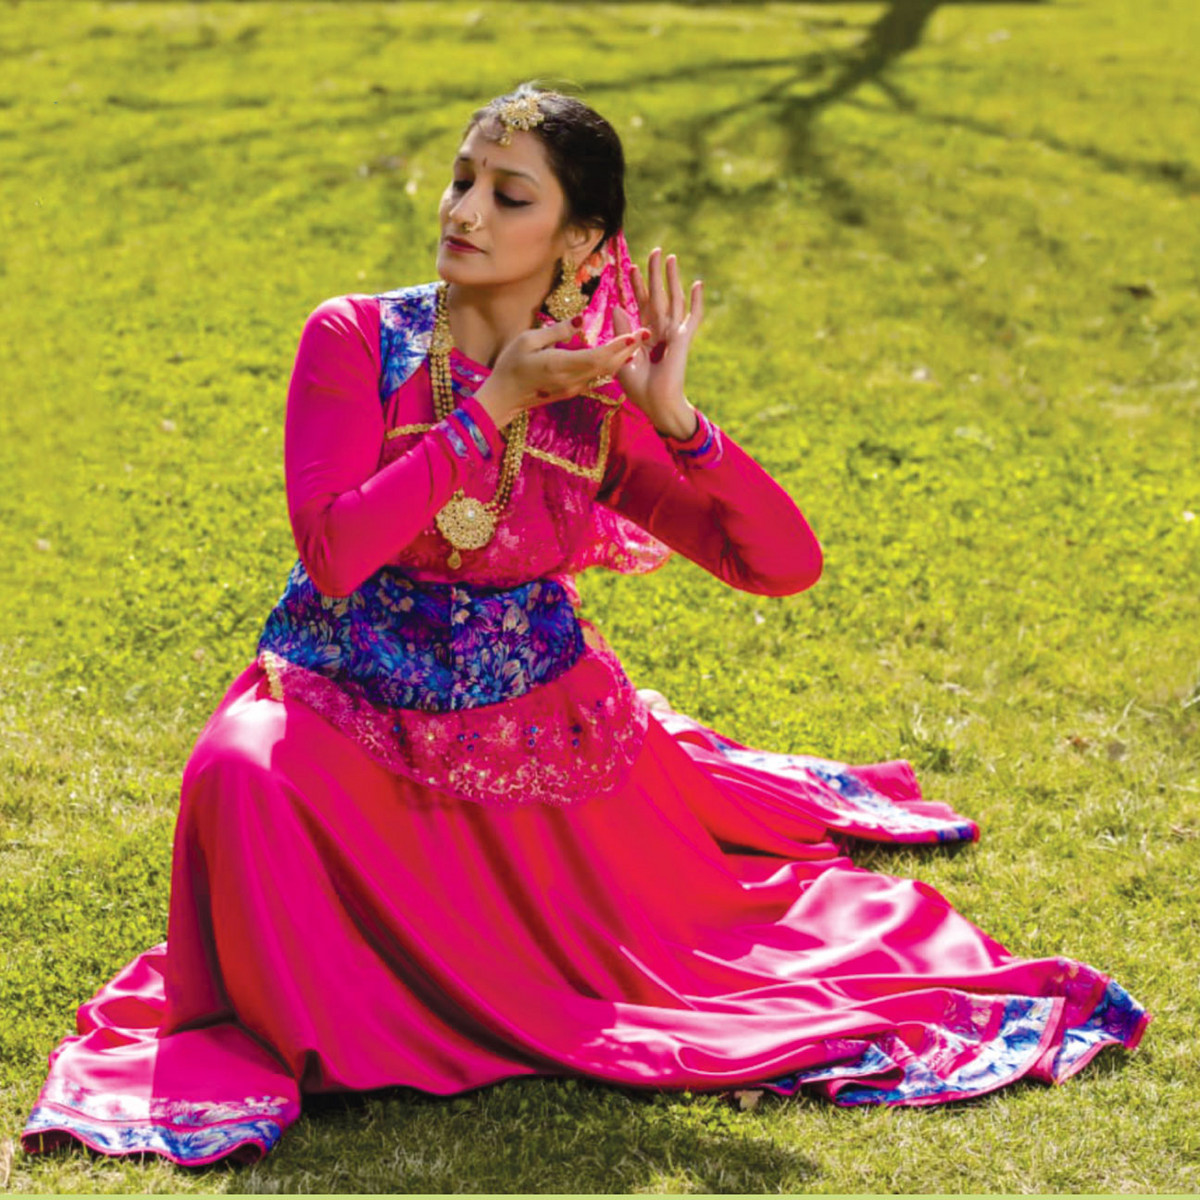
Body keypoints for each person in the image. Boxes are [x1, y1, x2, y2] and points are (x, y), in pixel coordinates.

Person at [22, 85, 1147, 1168]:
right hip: (346, 703)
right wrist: (493, 404)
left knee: (683, 955)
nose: (463, 210)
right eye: (463, 179)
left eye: (510, 195)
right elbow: (335, 552)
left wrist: (681, 422)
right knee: (236, 770)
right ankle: (339, 1009)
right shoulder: (355, 339)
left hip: (534, 739)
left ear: (579, 239)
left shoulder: (596, 410)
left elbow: (782, 564)